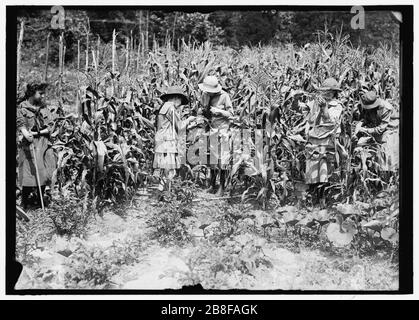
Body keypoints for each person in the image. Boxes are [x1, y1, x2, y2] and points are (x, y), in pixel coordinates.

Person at [17, 82, 57, 210]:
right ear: (32, 93)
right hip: (29, 144)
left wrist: (36, 132)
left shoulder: (44, 108)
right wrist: (25, 133)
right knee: (29, 172)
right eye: (40, 93)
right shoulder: (22, 108)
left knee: (44, 172)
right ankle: (25, 202)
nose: (43, 96)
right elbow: (21, 124)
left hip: (44, 143)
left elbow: (50, 126)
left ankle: (40, 202)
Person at [305, 78, 344, 208]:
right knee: (312, 172)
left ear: (334, 92)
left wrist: (324, 108)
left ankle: (323, 201)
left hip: (328, 141)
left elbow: (331, 122)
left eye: (328, 92)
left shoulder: (337, 106)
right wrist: (315, 107)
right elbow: (310, 120)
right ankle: (313, 200)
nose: (325, 94)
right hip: (314, 140)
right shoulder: (315, 103)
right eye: (324, 91)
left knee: (324, 172)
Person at [153, 86, 194, 191]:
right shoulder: (170, 108)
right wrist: (189, 120)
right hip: (168, 142)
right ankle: (167, 195)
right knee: (171, 171)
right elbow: (179, 127)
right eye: (180, 100)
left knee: (165, 171)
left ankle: (161, 193)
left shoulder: (163, 107)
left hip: (161, 142)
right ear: (176, 98)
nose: (180, 103)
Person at [198, 75, 234, 196]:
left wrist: (219, 111)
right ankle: (212, 185)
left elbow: (231, 114)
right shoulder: (205, 95)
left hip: (223, 131)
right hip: (211, 129)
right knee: (212, 159)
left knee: (223, 159)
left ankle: (222, 187)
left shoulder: (224, 96)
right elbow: (203, 109)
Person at [355, 90, 399, 176]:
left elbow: (380, 129)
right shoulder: (365, 106)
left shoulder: (385, 108)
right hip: (377, 130)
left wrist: (364, 130)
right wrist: (360, 124)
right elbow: (366, 118)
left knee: (387, 157)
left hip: (390, 130)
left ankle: (388, 179)